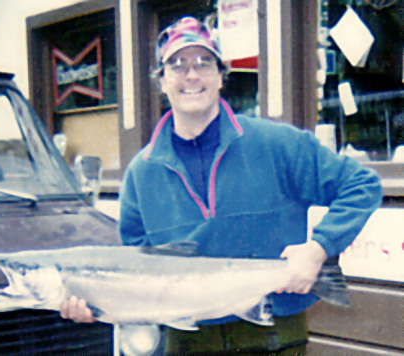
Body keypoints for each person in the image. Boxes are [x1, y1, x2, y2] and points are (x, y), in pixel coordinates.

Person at [61, 16, 382, 354]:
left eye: (203, 63)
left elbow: (361, 185)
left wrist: (318, 248)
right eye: (177, 65)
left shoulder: (277, 144)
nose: (192, 75)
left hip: (275, 334)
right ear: (162, 82)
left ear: (220, 77)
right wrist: (97, 305)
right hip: (187, 340)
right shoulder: (140, 174)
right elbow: (138, 275)